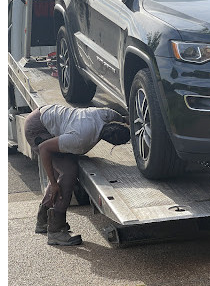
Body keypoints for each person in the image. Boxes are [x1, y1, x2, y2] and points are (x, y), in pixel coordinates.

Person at [24, 104, 131, 246]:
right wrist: (53, 183)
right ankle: (56, 231)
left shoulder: (105, 114)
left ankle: (43, 220)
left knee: (61, 164)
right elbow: (44, 149)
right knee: (68, 170)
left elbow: (120, 117)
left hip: (43, 113)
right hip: (36, 129)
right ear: (111, 143)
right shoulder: (81, 141)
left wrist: (127, 120)